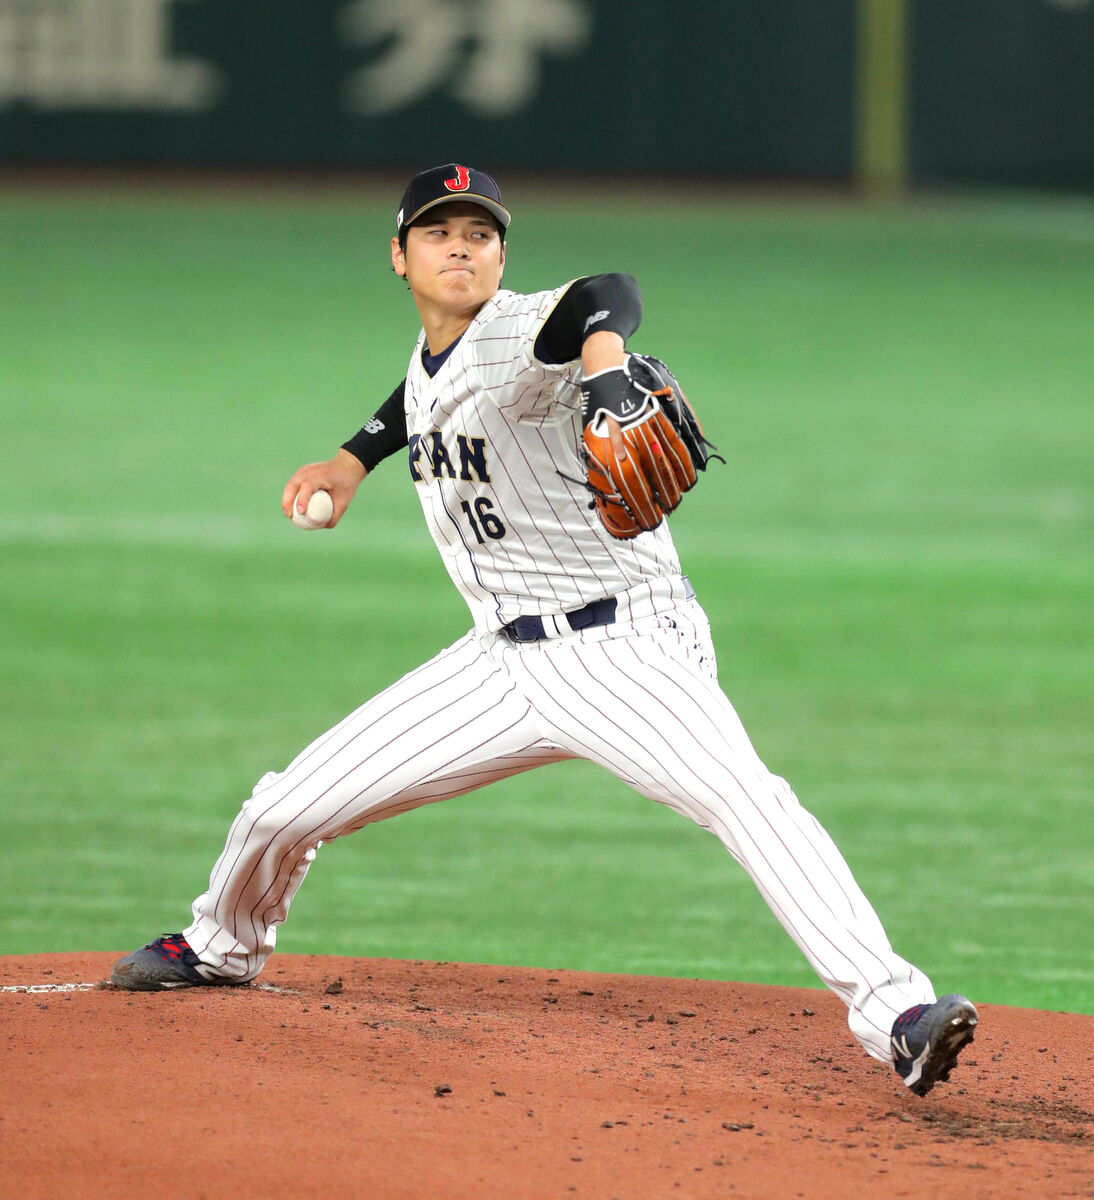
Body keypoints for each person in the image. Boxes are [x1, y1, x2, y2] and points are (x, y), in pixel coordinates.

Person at [112, 163, 977, 1096]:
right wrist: (353, 457)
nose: (460, 247)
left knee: (745, 799)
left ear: (501, 257)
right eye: (439, 233)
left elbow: (609, 295)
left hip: (623, 650)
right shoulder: (442, 351)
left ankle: (896, 1011)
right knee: (285, 806)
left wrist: (604, 369)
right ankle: (219, 945)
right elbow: (422, 396)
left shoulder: (520, 331)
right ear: (397, 258)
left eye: (479, 234)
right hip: (497, 662)